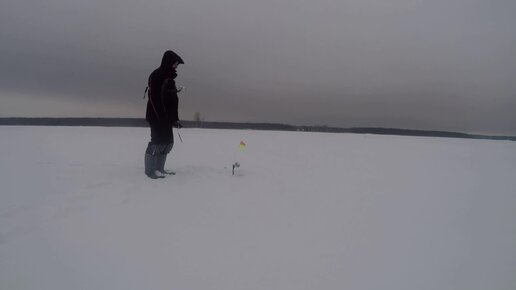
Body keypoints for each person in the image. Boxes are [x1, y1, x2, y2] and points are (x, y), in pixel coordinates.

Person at [144, 50, 184, 179]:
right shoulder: (157, 75)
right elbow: (154, 99)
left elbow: (172, 101)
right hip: (156, 117)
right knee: (157, 142)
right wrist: (160, 117)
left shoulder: (170, 79)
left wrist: (174, 119)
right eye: (175, 64)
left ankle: (159, 169)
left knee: (167, 143)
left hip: (166, 118)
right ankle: (150, 171)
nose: (176, 66)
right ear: (168, 62)